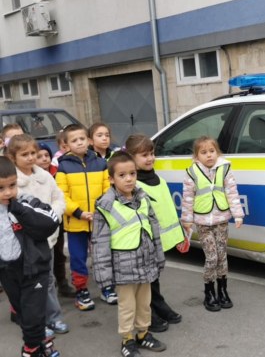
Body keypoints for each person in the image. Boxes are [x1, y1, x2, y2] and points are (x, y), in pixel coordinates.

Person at [92, 151, 166, 357]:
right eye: (122, 175)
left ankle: (143, 333)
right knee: (127, 306)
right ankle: (127, 339)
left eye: (132, 174)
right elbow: (100, 243)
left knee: (144, 302)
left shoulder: (143, 198)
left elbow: (154, 230)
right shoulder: (105, 206)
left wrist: (159, 257)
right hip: (123, 267)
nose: (129, 179)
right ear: (111, 179)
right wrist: (103, 275)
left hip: (146, 262)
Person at [7, 135, 70, 337]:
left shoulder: (45, 176)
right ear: (13, 157)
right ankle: (36, 322)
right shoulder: (12, 182)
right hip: (23, 241)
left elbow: (59, 199)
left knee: (47, 279)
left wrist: (51, 216)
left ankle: (54, 317)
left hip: (46, 238)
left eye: (33, 153)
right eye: (24, 154)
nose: (30, 157)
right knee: (29, 284)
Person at [0, 155, 60, 357]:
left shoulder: (24, 202)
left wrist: (18, 208)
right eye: (1, 188)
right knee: (24, 314)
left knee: (33, 313)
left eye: (12, 185)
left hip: (34, 269)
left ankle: (31, 350)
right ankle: (42, 342)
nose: (8, 192)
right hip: (8, 271)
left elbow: (50, 222)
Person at [125, 134, 185, 332]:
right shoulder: (132, 185)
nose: (150, 158)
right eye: (144, 155)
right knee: (145, 279)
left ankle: (158, 305)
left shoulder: (155, 178)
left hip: (157, 241)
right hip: (143, 242)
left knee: (154, 276)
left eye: (151, 153)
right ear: (131, 157)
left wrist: (178, 234)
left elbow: (166, 210)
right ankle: (147, 313)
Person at [181, 135, 244, 312]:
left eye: (212, 151)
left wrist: (238, 215)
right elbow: (187, 199)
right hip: (203, 223)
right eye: (204, 152)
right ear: (196, 156)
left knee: (222, 256)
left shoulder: (224, 169)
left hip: (221, 221)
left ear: (217, 152)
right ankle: (209, 291)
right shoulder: (191, 173)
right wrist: (187, 221)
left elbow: (232, 193)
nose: (209, 155)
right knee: (212, 257)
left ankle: (222, 290)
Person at [55, 124, 112, 311]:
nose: (79, 143)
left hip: (98, 220)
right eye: (74, 140)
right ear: (67, 144)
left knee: (102, 256)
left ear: (88, 141)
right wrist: (78, 212)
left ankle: (106, 286)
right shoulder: (63, 166)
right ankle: (81, 291)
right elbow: (61, 195)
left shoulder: (100, 163)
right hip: (76, 222)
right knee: (78, 258)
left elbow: (107, 189)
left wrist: (100, 209)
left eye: (82, 139)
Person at [36, 142, 75, 298]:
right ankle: (46, 284)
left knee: (59, 252)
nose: (44, 159)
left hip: (57, 219)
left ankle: (62, 283)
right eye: (39, 156)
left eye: (46, 155)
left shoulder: (57, 172)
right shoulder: (32, 176)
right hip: (39, 221)